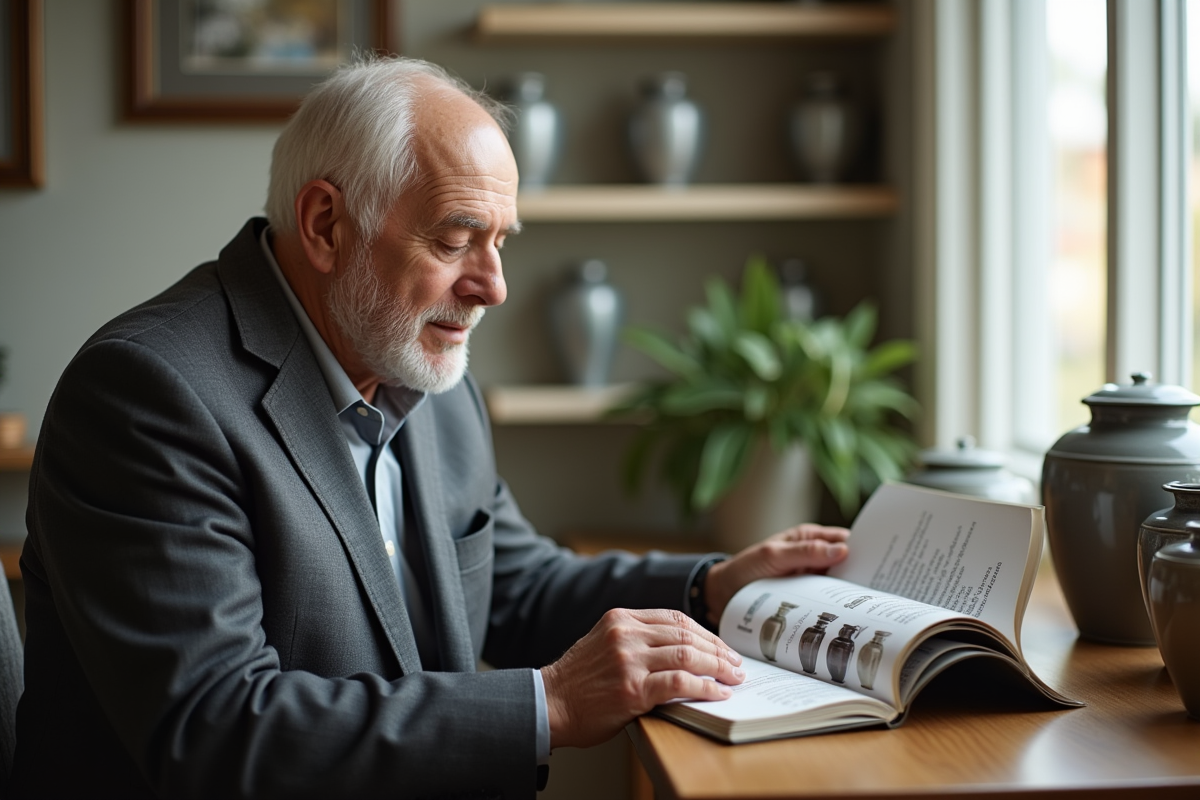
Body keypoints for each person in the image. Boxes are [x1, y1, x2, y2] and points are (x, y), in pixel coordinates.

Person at [10, 57, 848, 800]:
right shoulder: (148, 394)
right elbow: (217, 730)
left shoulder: (423, 374)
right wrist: (550, 702)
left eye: (501, 242)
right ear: (325, 226)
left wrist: (712, 589)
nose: (493, 286)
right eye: (457, 240)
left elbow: (515, 589)